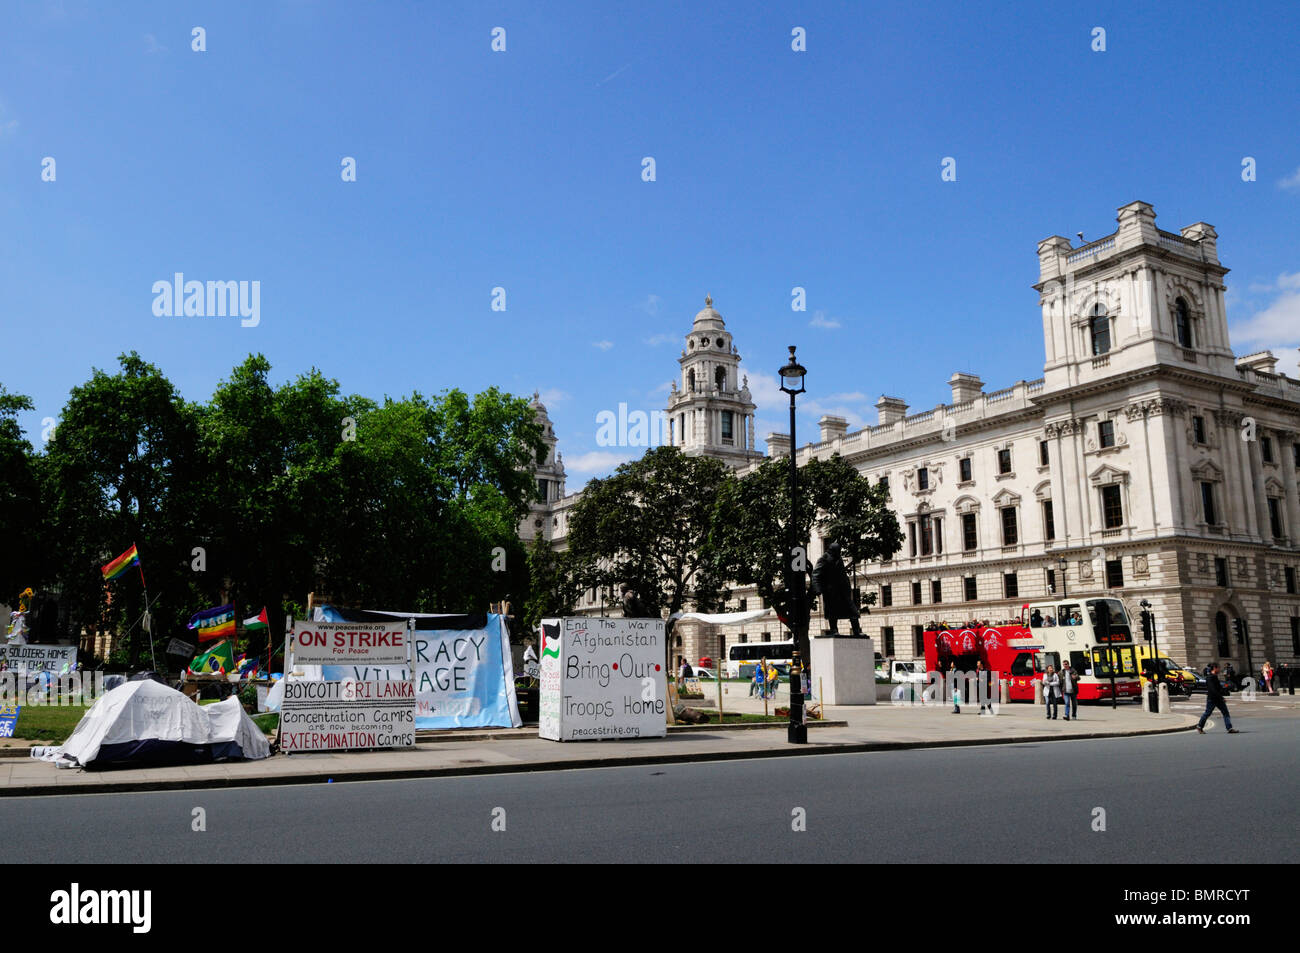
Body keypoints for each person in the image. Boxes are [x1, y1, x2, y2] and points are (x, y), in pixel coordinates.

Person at [810, 541, 863, 636]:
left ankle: (857, 630)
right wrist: (817, 588)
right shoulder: (824, 559)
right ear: (832, 550)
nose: (839, 553)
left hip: (842, 589)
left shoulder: (838, 558)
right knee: (832, 612)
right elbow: (816, 574)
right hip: (831, 590)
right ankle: (834, 630)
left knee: (853, 611)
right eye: (838, 551)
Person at [1197, 663, 1239, 734]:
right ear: (1215, 668)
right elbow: (1212, 689)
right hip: (1213, 698)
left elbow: (1218, 688)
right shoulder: (1210, 677)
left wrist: (1224, 691)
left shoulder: (1214, 676)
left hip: (1216, 698)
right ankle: (1199, 726)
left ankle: (1229, 728)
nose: (1219, 669)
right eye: (1218, 668)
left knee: (1225, 712)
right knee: (1208, 713)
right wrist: (1221, 697)